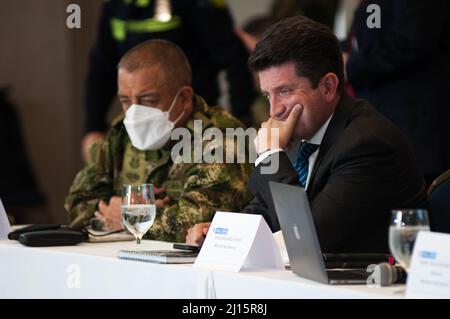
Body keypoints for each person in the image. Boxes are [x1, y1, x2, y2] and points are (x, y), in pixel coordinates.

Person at [186, 16, 428, 253]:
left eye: (285, 91)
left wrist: (271, 155)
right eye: (268, 95)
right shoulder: (300, 135)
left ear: (328, 86)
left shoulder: (368, 143)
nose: (274, 110)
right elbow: (266, 212)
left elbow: (308, 237)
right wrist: (220, 233)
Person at [65, 39, 252, 243]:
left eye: (148, 100)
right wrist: (114, 211)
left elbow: (197, 224)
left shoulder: (220, 138)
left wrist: (130, 217)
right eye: (126, 101)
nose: (135, 112)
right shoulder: (121, 133)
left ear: (184, 98)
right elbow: (77, 202)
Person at [82, 0, 256, 161]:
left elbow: (234, 61)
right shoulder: (116, 4)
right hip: (142, 133)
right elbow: (101, 69)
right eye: (125, 101)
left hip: (192, 124)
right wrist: (93, 127)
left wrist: (241, 121)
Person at [344, 0, 450, 186]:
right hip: (380, 127)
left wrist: (350, 64)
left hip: (416, 130)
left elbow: (410, 42)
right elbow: (362, 39)